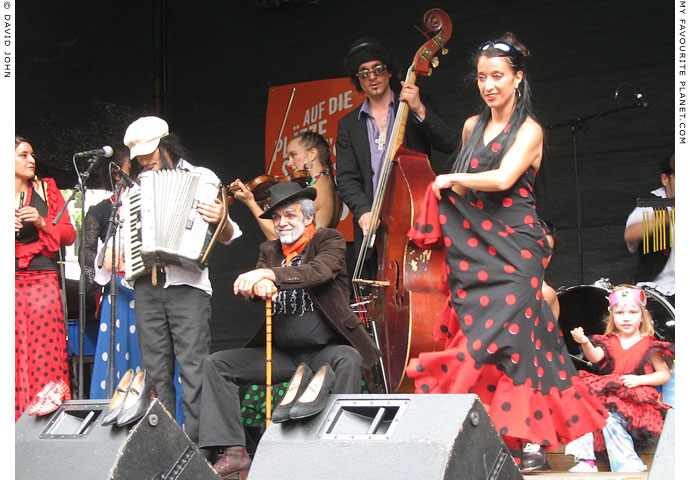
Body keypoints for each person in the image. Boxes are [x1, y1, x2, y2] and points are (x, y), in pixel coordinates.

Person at [404, 33, 608, 471]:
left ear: (517, 78)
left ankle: (508, 432)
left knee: (507, 335)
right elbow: (469, 191)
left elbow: (501, 179)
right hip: (478, 251)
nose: (488, 85)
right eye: (481, 77)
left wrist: (448, 180)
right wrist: (448, 188)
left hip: (517, 249)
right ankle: (522, 441)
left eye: (497, 76)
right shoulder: (470, 127)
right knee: (524, 340)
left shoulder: (530, 130)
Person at [197, 182, 380, 479]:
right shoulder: (268, 250)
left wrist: (271, 275)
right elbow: (257, 291)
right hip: (283, 354)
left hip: (324, 351)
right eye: (278, 218)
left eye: (290, 216)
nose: (282, 223)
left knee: (349, 358)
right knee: (217, 364)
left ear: (308, 217)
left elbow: (320, 271)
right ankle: (234, 452)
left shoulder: (328, 240)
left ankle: (341, 446)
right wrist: (258, 286)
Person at [122, 116, 242, 442]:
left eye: (150, 153)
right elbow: (126, 235)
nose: (145, 161)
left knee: (194, 368)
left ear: (167, 145)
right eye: (140, 156)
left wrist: (222, 219)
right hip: (147, 284)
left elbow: (230, 235)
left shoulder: (202, 178)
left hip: (188, 284)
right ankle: (166, 445)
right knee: (156, 372)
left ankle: (200, 447)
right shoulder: (135, 188)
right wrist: (121, 250)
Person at [335, 36, 459, 273]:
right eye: (364, 73)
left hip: (418, 216)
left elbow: (451, 144)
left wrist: (419, 109)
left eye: (378, 69)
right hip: (374, 226)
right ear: (358, 81)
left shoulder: (414, 104)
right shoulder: (348, 125)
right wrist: (363, 211)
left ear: (389, 72)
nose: (372, 77)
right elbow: (347, 178)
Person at [565, 285, 674, 473]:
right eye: (620, 312)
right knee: (582, 406)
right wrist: (585, 343)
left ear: (642, 316)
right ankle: (585, 459)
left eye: (632, 312)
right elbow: (595, 357)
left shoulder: (649, 344)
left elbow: (664, 374)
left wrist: (640, 380)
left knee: (609, 419)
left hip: (634, 400)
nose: (626, 317)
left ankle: (626, 461)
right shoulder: (609, 341)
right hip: (608, 393)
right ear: (612, 317)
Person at [15, 136, 76, 420]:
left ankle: (48, 419)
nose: (31, 160)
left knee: (46, 351)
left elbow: (69, 234)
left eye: (32, 154)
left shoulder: (45, 188)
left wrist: (41, 222)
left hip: (42, 278)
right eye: (23, 155)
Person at [231, 131, 342, 240]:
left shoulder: (314, 191)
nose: (289, 163)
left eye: (294, 155)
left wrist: (250, 202)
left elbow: (278, 236)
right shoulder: (329, 185)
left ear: (312, 154)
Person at [623, 153, 675, 306]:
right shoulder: (651, 205)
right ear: (665, 179)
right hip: (661, 290)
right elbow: (631, 233)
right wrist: (670, 217)